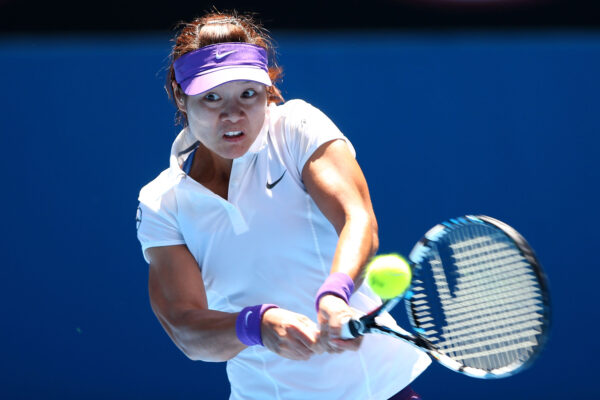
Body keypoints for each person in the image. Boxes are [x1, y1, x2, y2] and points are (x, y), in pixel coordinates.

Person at [136, 11, 430, 400]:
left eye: (248, 93)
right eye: (211, 97)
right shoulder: (162, 202)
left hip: (377, 391)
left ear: (268, 92)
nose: (233, 114)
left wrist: (335, 293)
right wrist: (256, 325)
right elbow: (185, 328)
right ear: (180, 94)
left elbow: (357, 219)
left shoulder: (296, 128)